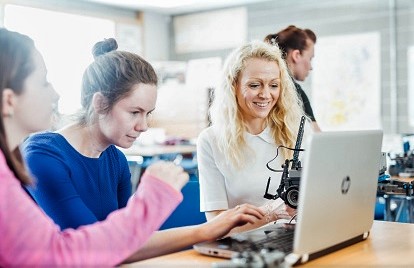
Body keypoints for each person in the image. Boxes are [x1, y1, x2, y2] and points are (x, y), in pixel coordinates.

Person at [0, 28, 264, 266]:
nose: (144, 125)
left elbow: (127, 241)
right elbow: (90, 251)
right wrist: (203, 229)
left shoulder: (115, 159)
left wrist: (212, 227)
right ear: (101, 103)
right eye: (135, 112)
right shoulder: (43, 156)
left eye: (148, 113)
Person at [197, 40, 310, 235]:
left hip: (299, 235)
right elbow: (215, 226)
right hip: (246, 246)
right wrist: (271, 212)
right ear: (233, 86)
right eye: (255, 85)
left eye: (274, 85)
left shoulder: (299, 130)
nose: (266, 94)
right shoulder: (211, 140)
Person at [264, 25, 322, 132]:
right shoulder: (295, 91)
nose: (310, 66)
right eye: (310, 58)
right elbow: (317, 138)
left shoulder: (265, 87)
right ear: (296, 55)